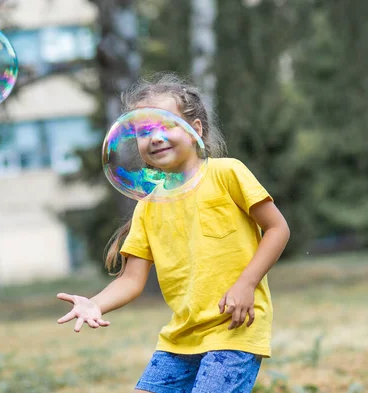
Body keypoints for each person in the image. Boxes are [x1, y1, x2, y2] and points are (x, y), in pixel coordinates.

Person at [57, 72, 290, 393]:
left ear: (195, 130)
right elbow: (130, 279)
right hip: (181, 337)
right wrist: (95, 304)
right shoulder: (149, 204)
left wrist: (247, 283)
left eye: (166, 125)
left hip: (234, 328)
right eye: (144, 131)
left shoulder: (227, 173)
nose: (154, 137)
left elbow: (277, 228)